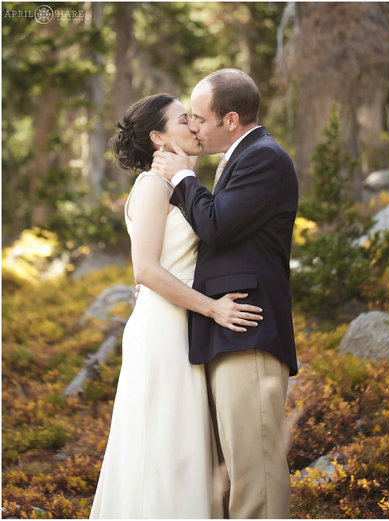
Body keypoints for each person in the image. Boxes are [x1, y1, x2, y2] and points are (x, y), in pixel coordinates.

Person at [91, 94, 263, 518]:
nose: (194, 124)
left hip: (182, 327)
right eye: (184, 118)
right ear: (157, 136)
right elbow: (146, 270)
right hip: (163, 331)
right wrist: (213, 308)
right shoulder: (152, 186)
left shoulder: (179, 186)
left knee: (185, 447)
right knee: (161, 446)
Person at [151, 68, 298, 518]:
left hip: (247, 330)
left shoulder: (264, 157)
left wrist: (182, 179)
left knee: (256, 472)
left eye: (199, 117)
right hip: (223, 330)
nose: (193, 126)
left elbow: (216, 226)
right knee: (229, 470)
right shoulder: (238, 159)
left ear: (230, 119)